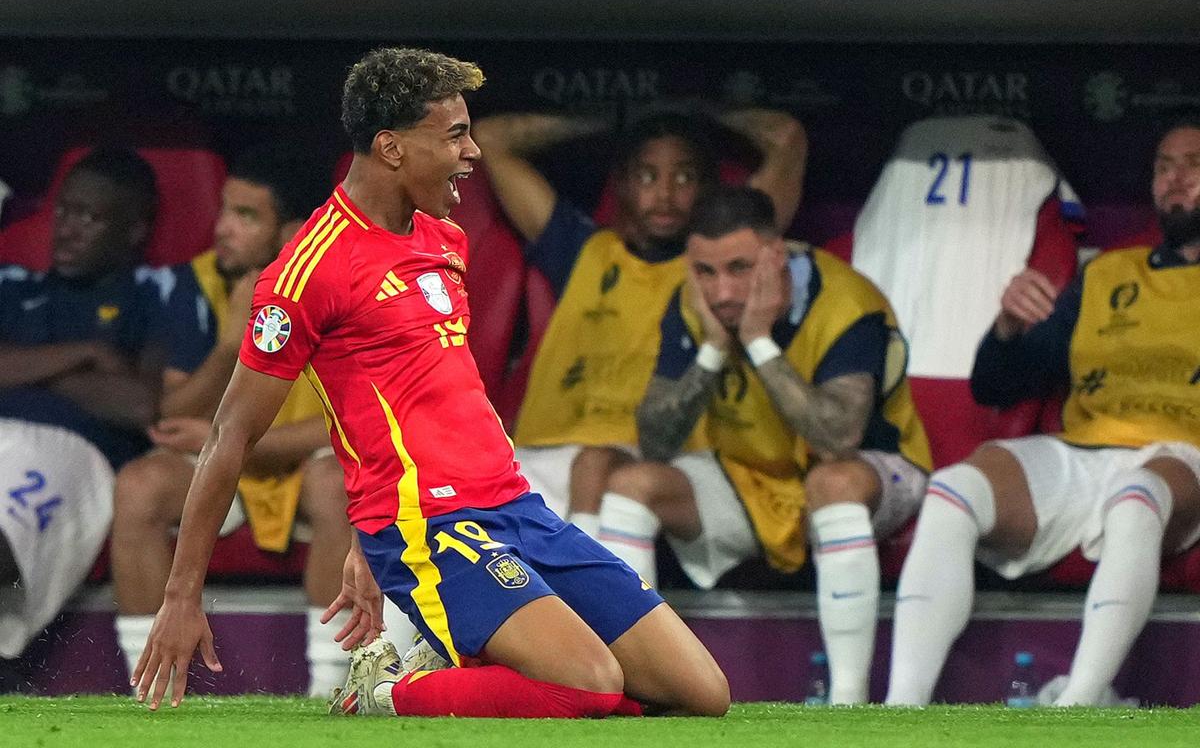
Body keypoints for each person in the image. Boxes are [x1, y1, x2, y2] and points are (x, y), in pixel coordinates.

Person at [132, 46, 730, 719]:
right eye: (454, 135)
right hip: (430, 525)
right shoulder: (309, 270)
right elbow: (229, 437)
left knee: (702, 694)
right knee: (588, 684)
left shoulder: (442, 238)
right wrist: (182, 597)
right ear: (391, 148)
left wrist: (360, 545)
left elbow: (417, 395)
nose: (472, 152)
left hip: (517, 507)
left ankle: (467, 667)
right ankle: (385, 692)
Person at [885, 120, 1200, 707]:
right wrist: (1006, 330)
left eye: (1192, 164)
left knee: (1135, 498)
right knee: (955, 490)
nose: (1174, 179)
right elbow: (998, 386)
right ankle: (901, 712)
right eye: (1163, 166)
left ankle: (1078, 705)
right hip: (1088, 451)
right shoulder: (1107, 275)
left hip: (1184, 457)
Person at [600, 185, 931, 705]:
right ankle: (642, 682)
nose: (723, 292)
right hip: (752, 477)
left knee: (832, 481)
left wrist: (756, 338)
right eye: (705, 272)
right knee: (632, 484)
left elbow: (836, 438)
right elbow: (656, 442)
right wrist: (713, 348)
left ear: (777, 254)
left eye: (739, 268)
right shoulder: (692, 306)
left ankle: (849, 699)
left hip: (873, 472)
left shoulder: (847, 302)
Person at [472, 107, 807, 534]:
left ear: (707, 187)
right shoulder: (584, 250)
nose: (665, 195)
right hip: (542, 454)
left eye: (684, 178)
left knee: (595, 470)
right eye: (647, 177)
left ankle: (586, 593)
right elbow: (493, 138)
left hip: (650, 455)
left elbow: (786, 137)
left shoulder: (717, 268)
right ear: (623, 184)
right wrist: (619, 117)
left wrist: (692, 105)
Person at [110, 143, 361, 697]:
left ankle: (331, 688)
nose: (222, 228)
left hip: (301, 460)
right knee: (139, 485)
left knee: (335, 483)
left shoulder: (341, 280)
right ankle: (147, 687)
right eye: (224, 209)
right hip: (230, 458)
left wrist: (240, 441)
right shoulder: (199, 283)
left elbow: (353, 421)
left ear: (293, 229)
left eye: (246, 217)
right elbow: (174, 412)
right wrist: (228, 345)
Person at [0, 147, 166, 661]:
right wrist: (86, 355)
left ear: (132, 231)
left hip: (76, 451)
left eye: (89, 217)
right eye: (63, 211)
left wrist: (26, 370)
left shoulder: (154, 294)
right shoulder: (12, 284)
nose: (66, 229)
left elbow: (142, 404)